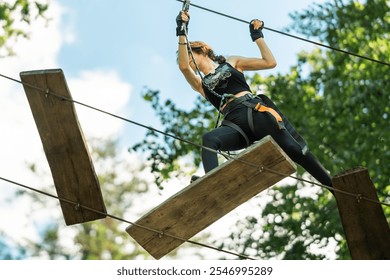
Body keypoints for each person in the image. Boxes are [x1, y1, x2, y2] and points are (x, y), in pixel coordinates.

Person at [176, 11, 332, 188]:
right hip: (233, 125)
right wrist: (181, 30)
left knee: (294, 150)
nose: (186, 60)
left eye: (188, 54)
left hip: (254, 111)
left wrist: (257, 36)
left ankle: (334, 186)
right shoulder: (200, 84)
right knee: (209, 139)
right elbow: (183, 67)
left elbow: (269, 62)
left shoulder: (231, 62)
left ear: (201, 50)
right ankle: (213, 180)